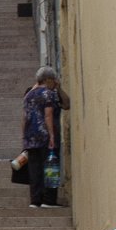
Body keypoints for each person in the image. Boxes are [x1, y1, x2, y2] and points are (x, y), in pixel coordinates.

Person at [21, 66, 69, 208]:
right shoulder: (48, 93)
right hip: (46, 137)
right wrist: (52, 135)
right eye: (54, 79)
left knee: (35, 170)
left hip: (31, 138)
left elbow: (24, 117)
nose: (55, 82)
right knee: (51, 167)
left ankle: (35, 200)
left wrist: (24, 137)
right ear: (48, 79)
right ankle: (49, 200)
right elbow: (49, 115)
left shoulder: (28, 95)